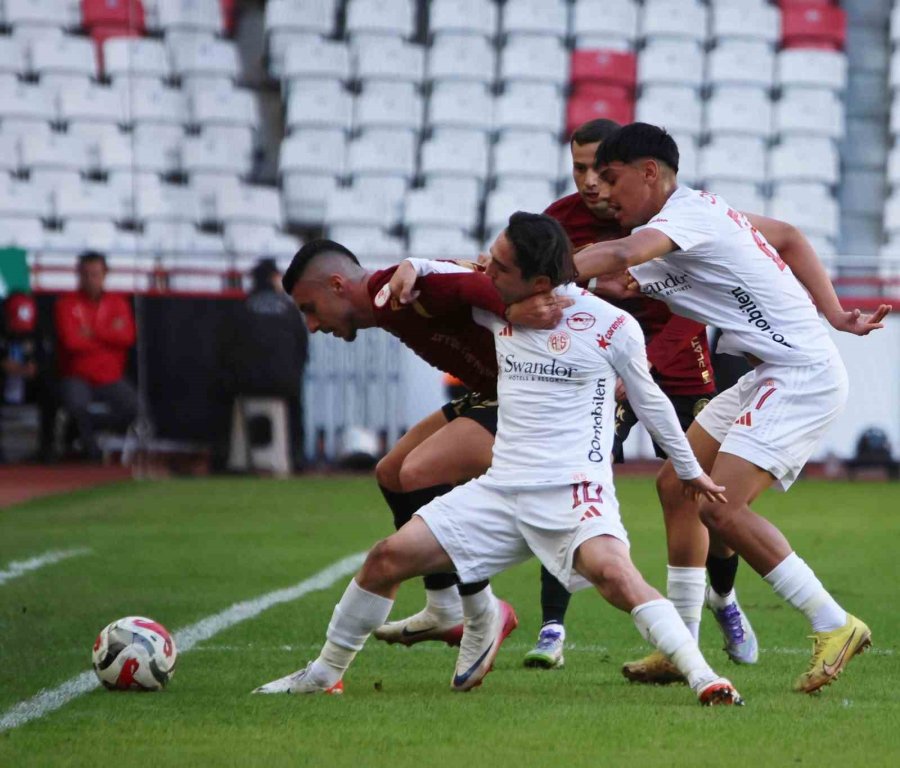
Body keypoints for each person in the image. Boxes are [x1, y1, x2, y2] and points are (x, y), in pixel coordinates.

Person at [254, 212, 743, 706]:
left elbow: (652, 403)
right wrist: (414, 263)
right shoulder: (495, 310)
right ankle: (323, 674)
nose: (486, 271)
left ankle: (705, 678)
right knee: (385, 558)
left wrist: (690, 470)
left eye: (499, 266)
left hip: (573, 492)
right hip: (501, 491)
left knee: (618, 577)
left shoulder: (612, 325)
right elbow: (453, 277)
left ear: (539, 283)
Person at [574, 122, 890, 693]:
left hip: (801, 376)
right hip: (773, 370)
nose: (601, 191)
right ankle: (683, 646)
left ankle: (833, 622)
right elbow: (789, 236)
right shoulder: (692, 216)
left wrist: (541, 269)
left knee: (720, 509)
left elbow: (621, 254)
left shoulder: (684, 217)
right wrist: (838, 314)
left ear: (650, 173)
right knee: (677, 484)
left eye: (611, 177)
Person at [529, 118, 748, 674]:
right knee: (570, 473)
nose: (590, 182)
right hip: (605, 365)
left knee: (708, 495)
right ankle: (552, 624)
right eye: (579, 169)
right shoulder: (560, 221)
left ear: (630, 169)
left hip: (677, 359)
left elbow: (691, 309)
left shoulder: (668, 216)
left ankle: (723, 599)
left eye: (602, 170)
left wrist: (640, 364)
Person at [274, 238, 562, 650]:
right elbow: (455, 272)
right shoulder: (394, 290)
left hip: (529, 396)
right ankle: (444, 606)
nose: (312, 326)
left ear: (336, 284)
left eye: (310, 308)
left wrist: (511, 309)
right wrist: (418, 263)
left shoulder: (397, 290)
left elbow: (465, 282)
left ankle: (483, 608)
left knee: (419, 472)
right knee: (392, 472)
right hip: (490, 392)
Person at [215, 258, 308, 472]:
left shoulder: (241, 307)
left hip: (244, 385)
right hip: (283, 385)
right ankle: (295, 458)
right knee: (296, 401)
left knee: (222, 395)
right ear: (273, 278)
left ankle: (229, 457)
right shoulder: (289, 309)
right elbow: (302, 352)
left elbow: (226, 351)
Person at [53, 251, 138, 461]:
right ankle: (91, 455)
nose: (90, 279)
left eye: (95, 274)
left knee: (134, 407)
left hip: (110, 377)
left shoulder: (118, 303)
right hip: (78, 375)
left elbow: (127, 337)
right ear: (78, 275)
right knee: (76, 404)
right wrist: (109, 337)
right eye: (86, 274)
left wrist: (92, 332)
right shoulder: (66, 303)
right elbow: (71, 342)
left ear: (105, 274)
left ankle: (93, 434)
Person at [0, 292, 39, 463]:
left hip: (29, 389)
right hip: (5, 387)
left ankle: (48, 449)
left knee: (51, 389)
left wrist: (33, 368)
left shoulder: (38, 335)